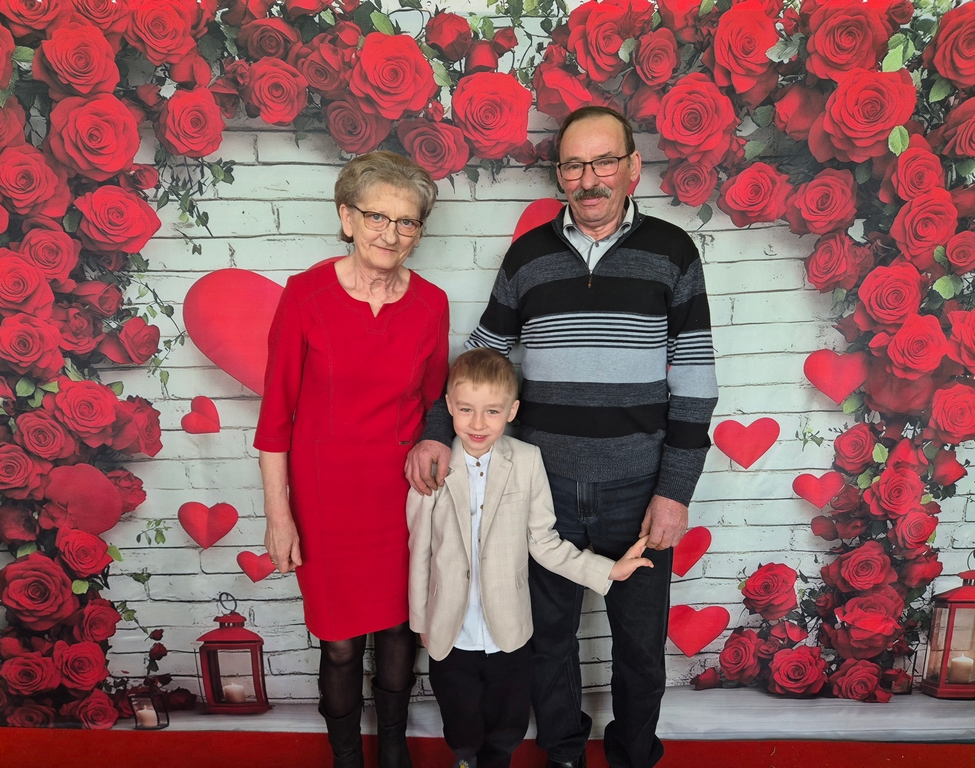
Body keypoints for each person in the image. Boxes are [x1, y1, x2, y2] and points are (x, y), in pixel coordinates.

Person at [405, 106, 718, 768]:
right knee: (548, 640)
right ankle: (564, 751)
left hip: (638, 490)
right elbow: (480, 358)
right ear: (559, 174)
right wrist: (436, 432)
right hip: (540, 488)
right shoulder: (529, 256)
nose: (589, 178)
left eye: (604, 161)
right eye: (574, 165)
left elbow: (694, 381)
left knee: (640, 645)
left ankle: (634, 752)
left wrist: (674, 491)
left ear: (632, 167)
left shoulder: (672, 253)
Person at [255, 151, 449, 768]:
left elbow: (436, 406)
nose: (391, 233)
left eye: (407, 221)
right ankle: (346, 758)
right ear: (347, 218)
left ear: (419, 231)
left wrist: (435, 442)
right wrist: (279, 516)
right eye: (376, 217)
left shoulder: (432, 304)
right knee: (340, 646)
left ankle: (393, 750)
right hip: (325, 501)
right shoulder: (305, 295)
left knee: (397, 633)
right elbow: (275, 417)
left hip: (401, 499)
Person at [407, 348, 654, 768]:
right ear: (448, 405)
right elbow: (420, 549)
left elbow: (544, 542)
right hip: (450, 630)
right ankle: (465, 760)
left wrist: (609, 569)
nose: (478, 423)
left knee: (508, 723)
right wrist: (421, 622)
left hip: (509, 629)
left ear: (512, 411)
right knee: (461, 724)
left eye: (492, 411)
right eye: (466, 409)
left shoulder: (526, 460)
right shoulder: (434, 465)